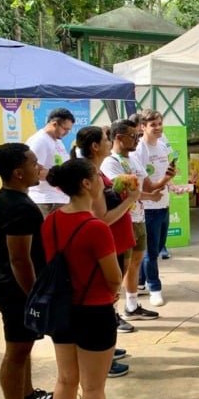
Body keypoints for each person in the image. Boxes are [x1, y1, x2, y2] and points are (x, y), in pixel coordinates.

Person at [43, 158, 135, 399]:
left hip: (61, 310)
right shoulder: (96, 228)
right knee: (93, 386)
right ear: (86, 184)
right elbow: (113, 277)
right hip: (94, 311)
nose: (102, 181)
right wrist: (114, 292)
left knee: (65, 379)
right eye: (97, 176)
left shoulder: (50, 221)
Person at [73, 126, 149, 377]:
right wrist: (130, 199)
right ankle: (101, 358)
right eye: (106, 139)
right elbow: (102, 218)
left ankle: (107, 350)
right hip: (108, 243)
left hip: (116, 241)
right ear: (95, 146)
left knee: (109, 300)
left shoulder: (97, 171)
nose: (110, 142)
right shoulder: (91, 174)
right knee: (104, 301)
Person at [0, 143, 53, 399]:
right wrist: (34, 296)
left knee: (25, 346)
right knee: (16, 352)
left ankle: (27, 395)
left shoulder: (11, 197)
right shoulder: (19, 207)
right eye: (33, 163)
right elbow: (19, 259)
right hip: (16, 291)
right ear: (18, 172)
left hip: (15, 288)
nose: (38, 166)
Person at [100, 119, 162, 327]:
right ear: (119, 138)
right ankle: (112, 313)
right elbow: (121, 192)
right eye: (133, 136)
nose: (137, 140)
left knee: (135, 262)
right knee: (120, 269)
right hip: (122, 220)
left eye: (138, 136)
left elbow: (144, 187)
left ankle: (132, 306)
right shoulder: (110, 163)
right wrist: (145, 195)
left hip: (138, 217)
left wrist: (161, 185)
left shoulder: (133, 159)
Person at [134, 110, 177, 307]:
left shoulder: (162, 144)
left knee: (158, 247)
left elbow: (167, 172)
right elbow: (144, 183)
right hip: (149, 207)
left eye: (160, 123)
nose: (158, 128)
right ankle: (155, 288)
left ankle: (140, 281)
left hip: (164, 203)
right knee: (151, 252)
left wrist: (172, 185)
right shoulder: (140, 149)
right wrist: (163, 182)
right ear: (143, 127)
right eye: (153, 125)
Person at [26, 107, 75, 216]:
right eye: (65, 129)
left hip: (59, 198)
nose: (67, 133)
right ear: (54, 124)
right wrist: (57, 178)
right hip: (46, 201)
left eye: (69, 130)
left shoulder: (57, 140)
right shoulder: (39, 141)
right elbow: (33, 171)